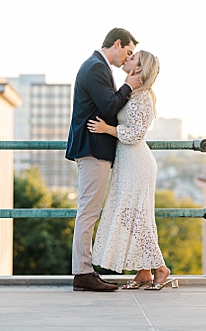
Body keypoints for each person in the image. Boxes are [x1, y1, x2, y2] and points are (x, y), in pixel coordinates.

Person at [88, 50, 177, 290]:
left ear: (139, 67)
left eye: (133, 57)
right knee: (131, 218)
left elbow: (136, 134)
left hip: (137, 163)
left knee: (137, 218)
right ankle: (144, 271)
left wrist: (107, 129)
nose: (128, 58)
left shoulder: (144, 97)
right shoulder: (132, 92)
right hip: (127, 162)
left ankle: (160, 268)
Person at [65, 27, 143, 292]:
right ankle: (83, 273)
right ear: (117, 44)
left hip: (93, 148)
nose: (127, 58)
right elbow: (110, 106)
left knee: (89, 210)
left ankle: (85, 271)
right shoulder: (96, 67)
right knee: (88, 211)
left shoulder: (96, 65)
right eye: (129, 52)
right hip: (92, 148)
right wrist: (128, 87)